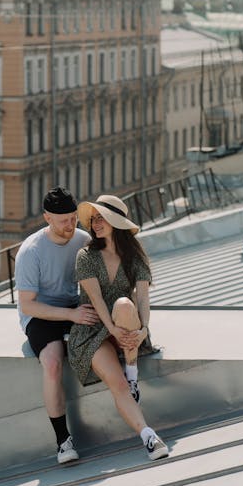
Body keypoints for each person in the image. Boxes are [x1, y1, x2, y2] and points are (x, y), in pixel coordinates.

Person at [67, 194, 169, 461]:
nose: (97, 223)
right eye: (94, 219)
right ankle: (149, 436)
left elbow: (143, 298)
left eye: (103, 218)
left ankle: (133, 372)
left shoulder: (133, 256)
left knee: (125, 303)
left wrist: (144, 329)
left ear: (116, 222)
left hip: (125, 322)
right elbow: (97, 299)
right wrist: (110, 329)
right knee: (119, 386)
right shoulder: (86, 255)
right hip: (92, 332)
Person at [15, 186, 99, 465]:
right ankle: (63, 441)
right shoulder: (31, 251)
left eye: (74, 218)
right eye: (63, 220)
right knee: (52, 363)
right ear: (47, 218)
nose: (70, 225)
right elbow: (28, 305)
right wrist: (70, 317)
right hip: (41, 313)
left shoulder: (83, 239)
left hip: (73, 304)